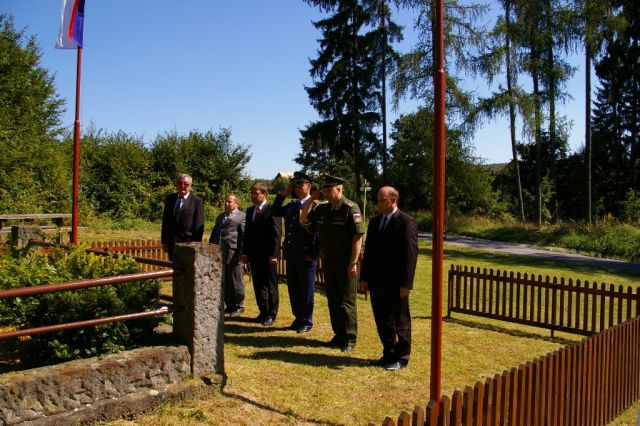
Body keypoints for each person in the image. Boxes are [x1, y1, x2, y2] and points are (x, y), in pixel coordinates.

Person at [301, 174, 365, 352]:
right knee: (333, 300)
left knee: (347, 302)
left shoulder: (350, 208)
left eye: (329, 190)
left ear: (339, 189)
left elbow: (358, 237)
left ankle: (350, 339)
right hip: (329, 260)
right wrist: (312, 198)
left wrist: (353, 262)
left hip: (346, 261)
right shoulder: (322, 209)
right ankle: (339, 335)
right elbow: (304, 220)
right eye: (325, 190)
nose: (326, 194)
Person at [359, 186, 418, 371]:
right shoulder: (375, 221)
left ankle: (402, 357)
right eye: (377, 200)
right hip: (377, 281)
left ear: (394, 200)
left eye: (382, 200)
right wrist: (364, 277)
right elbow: (369, 251)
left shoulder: (406, 222)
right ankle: (389, 353)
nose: (378, 203)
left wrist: (406, 284)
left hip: (396, 282)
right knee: (382, 319)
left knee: (400, 321)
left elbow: (410, 255)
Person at [272, 171, 320, 334]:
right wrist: (284, 193)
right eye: (295, 185)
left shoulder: (315, 206)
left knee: (306, 290)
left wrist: (313, 254)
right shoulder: (292, 205)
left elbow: (317, 233)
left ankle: (306, 320)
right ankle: (298, 317)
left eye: (300, 185)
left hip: (306, 254)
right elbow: (275, 211)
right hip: (291, 253)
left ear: (309, 186)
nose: (297, 188)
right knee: (294, 288)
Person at [240, 182, 282, 326]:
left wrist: (274, 254)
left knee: (270, 285)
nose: (252, 196)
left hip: (268, 255)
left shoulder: (272, 209)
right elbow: (247, 234)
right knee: (258, 284)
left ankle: (271, 314)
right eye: (251, 193)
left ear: (264, 194)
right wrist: (245, 252)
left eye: (255, 193)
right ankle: (263, 311)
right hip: (254, 255)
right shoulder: (250, 210)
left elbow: (277, 233)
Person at [209, 192, 246, 316]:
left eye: (229, 201)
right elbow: (215, 233)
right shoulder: (220, 217)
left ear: (236, 203)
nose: (226, 203)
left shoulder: (242, 216)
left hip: (234, 254)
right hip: (219, 254)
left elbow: (244, 236)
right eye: (225, 201)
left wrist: (242, 253)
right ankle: (229, 305)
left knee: (236, 280)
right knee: (225, 280)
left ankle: (239, 305)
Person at [161, 174, 205, 260]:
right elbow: (165, 221)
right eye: (180, 183)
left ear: (190, 186)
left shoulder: (197, 201)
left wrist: (196, 245)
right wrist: (164, 241)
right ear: (176, 185)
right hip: (172, 243)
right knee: (173, 266)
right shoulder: (170, 199)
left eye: (186, 184)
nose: (182, 186)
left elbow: (199, 224)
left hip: (188, 243)